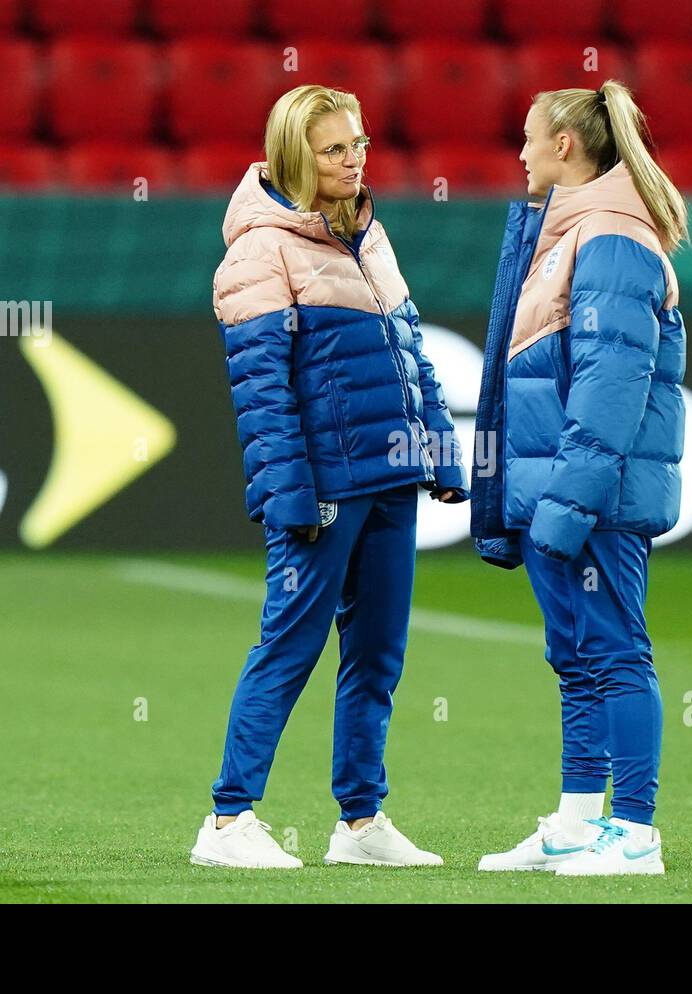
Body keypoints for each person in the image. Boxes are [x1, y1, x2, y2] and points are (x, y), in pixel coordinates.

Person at [190, 84, 468, 870]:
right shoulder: (258, 249)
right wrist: (289, 489)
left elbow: (411, 351)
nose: (356, 162)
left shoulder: (368, 233)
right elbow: (262, 390)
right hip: (323, 483)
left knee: (378, 653)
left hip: (388, 476)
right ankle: (227, 820)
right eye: (336, 149)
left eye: (360, 145)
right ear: (293, 155)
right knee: (290, 645)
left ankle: (360, 821)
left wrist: (439, 452)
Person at [470, 79, 687, 876]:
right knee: (576, 656)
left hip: (596, 497)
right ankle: (574, 822)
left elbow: (611, 386)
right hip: (563, 489)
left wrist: (567, 502)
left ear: (565, 145)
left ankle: (634, 832)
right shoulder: (576, 233)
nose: (520, 151)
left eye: (529, 136)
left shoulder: (612, 236)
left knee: (617, 652)